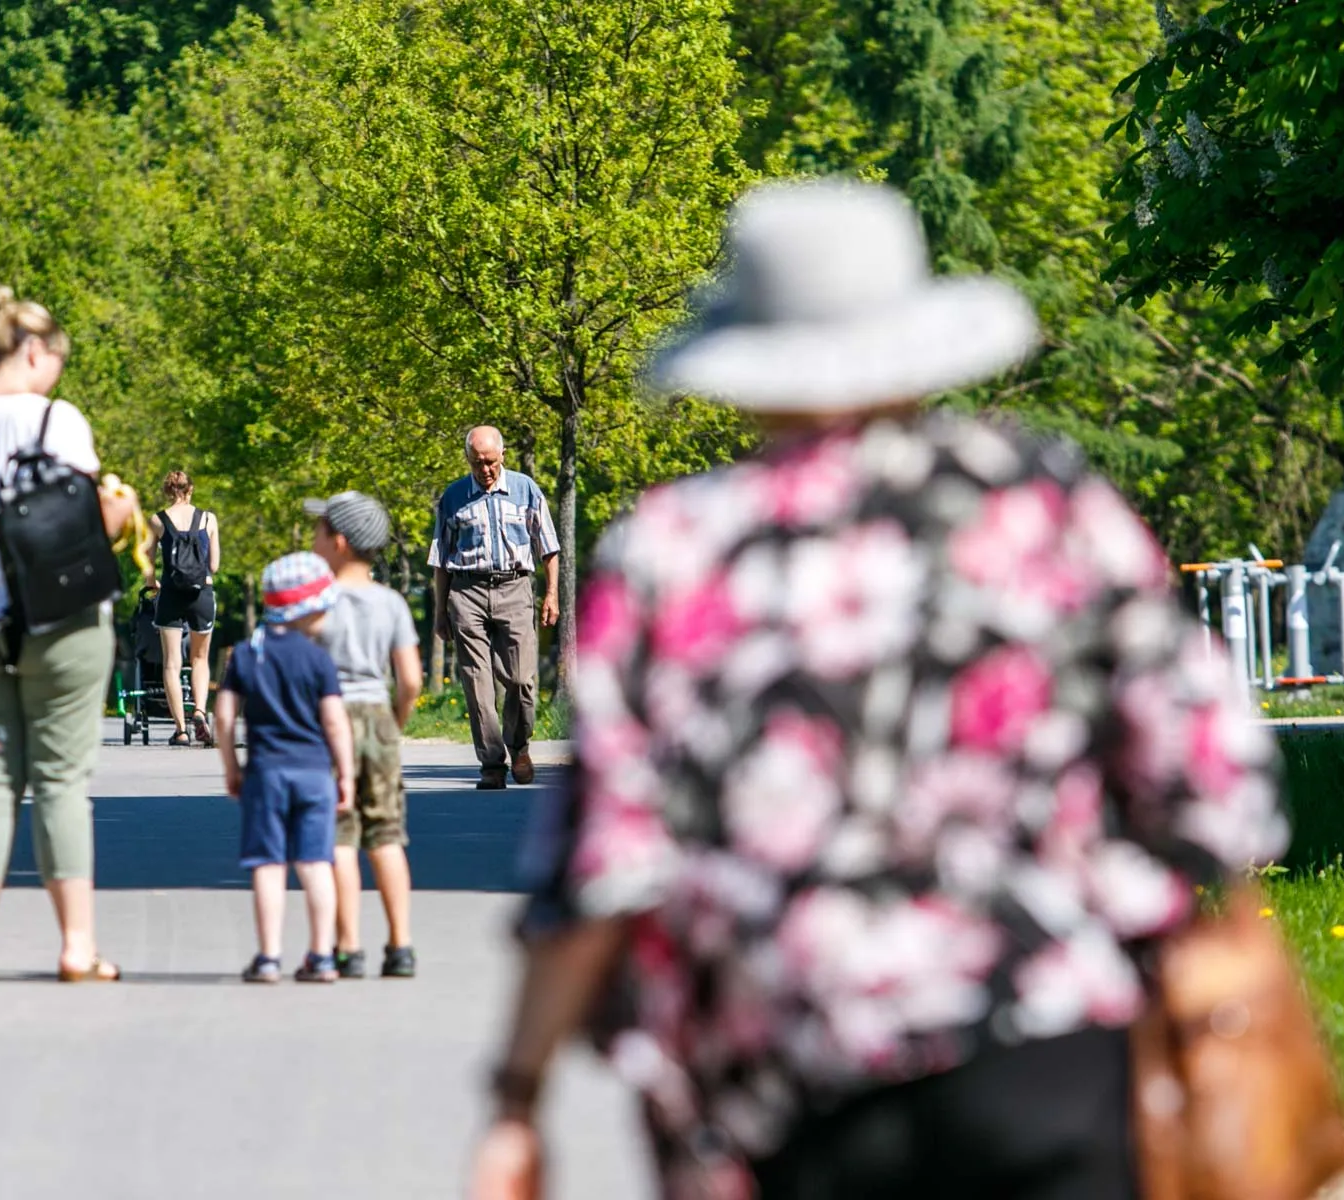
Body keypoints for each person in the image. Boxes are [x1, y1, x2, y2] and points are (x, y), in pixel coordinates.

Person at [469, 182, 1289, 1198]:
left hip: (796, 1087)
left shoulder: (677, 553)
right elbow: (1218, 787)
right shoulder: (1044, 505)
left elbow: (606, 861)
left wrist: (518, 1096)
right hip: (1054, 1057)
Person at [0, 284, 139, 984]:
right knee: (59, 781)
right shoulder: (58, 422)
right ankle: (77, 947)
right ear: (32, 351)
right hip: (60, 626)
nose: (57, 375)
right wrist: (124, 512)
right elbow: (77, 530)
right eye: (55, 360)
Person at [214, 552, 357, 985]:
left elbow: (223, 717)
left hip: (265, 773)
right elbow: (335, 721)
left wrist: (232, 767)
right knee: (315, 863)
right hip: (314, 774)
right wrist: (345, 774)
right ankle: (321, 956)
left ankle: (269, 957)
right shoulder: (317, 660)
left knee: (268, 865)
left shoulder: (245, 654)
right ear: (309, 608)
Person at [304, 491, 425, 979]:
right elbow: (411, 679)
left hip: (329, 718)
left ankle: (348, 947)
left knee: (339, 836)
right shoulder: (392, 602)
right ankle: (401, 946)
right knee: (386, 834)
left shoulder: (317, 604)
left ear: (337, 541)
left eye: (317, 531)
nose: (312, 539)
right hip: (376, 714)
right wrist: (395, 720)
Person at [429, 427, 561, 791]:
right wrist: (440, 611)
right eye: (477, 463)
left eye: (489, 462)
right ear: (467, 460)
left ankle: (519, 746)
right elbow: (441, 560)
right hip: (466, 591)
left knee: (521, 679)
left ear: (502, 455)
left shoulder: (526, 489)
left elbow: (548, 548)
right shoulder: (453, 497)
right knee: (477, 682)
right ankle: (491, 763)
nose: (484, 469)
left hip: (515, 587)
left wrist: (552, 595)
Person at [140, 469, 221, 746]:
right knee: (199, 659)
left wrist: (153, 585)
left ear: (167, 490)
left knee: (172, 664)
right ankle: (199, 710)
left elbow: (148, 564)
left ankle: (181, 730)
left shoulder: (157, 520)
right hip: (202, 593)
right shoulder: (209, 518)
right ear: (191, 489)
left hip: (171, 594)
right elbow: (214, 566)